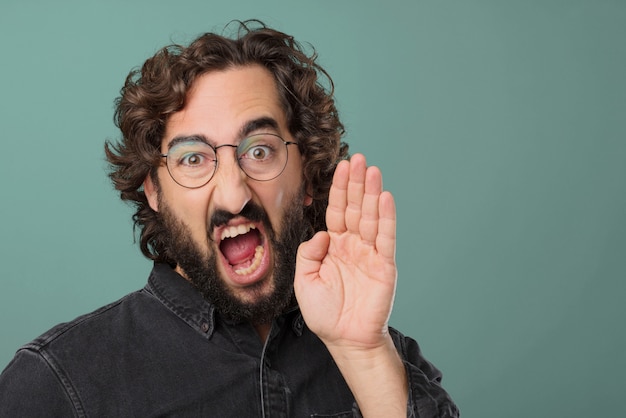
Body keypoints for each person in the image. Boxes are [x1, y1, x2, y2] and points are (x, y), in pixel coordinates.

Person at [0, 21, 459, 417]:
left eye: (259, 151)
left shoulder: (384, 357)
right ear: (154, 190)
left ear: (309, 178)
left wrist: (363, 354)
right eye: (194, 159)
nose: (235, 195)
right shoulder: (59, 382)